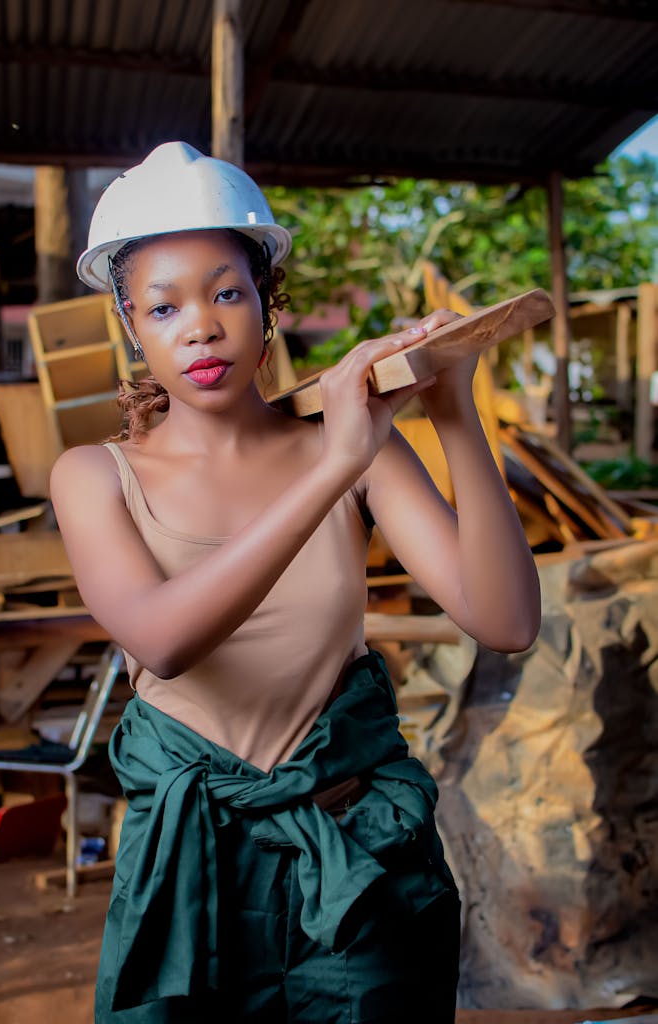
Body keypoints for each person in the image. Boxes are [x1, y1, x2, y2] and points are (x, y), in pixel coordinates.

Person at [51, 141, 541, 1024]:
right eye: (163, 307)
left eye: (226, 291)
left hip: (353, 863)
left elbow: (504, 620)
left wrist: (453, 408)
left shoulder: (352, 446)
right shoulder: (94, 476)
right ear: (131, 324)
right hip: (193, 872)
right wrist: (333, 468)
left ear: (267, 302)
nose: (200, 325)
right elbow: (161, 637)